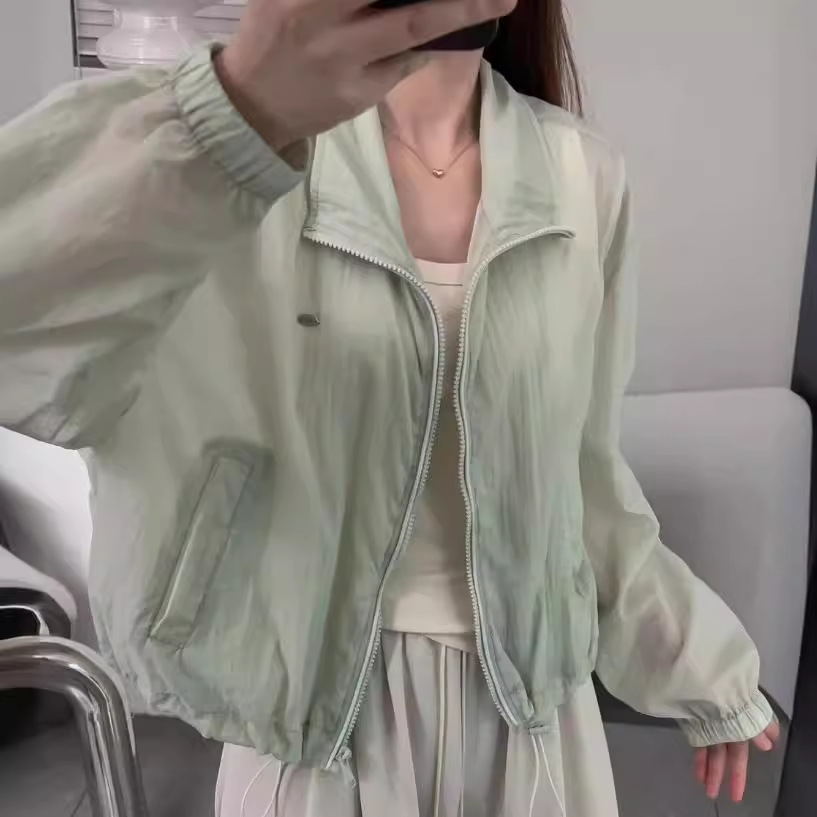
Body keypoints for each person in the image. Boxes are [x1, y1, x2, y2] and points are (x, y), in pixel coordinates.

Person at [0, 0, 780, 814]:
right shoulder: (228, 162)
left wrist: (695, 659)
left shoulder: (582, 177)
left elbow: (579, 479)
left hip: (533, 715)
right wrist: (235, 113)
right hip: (304, 714)